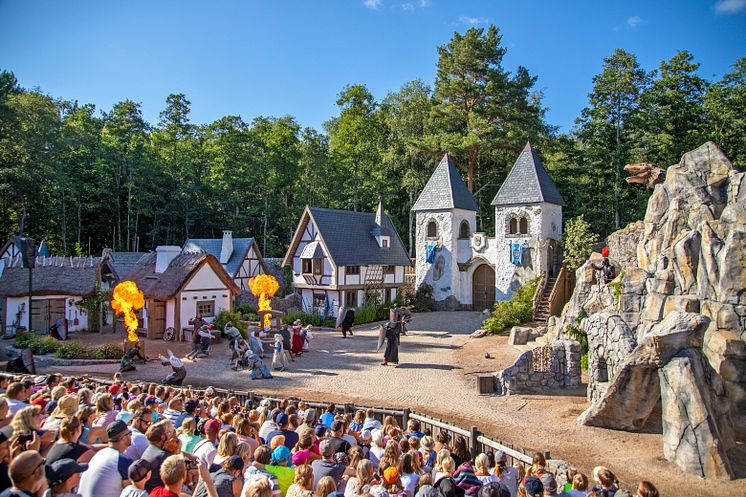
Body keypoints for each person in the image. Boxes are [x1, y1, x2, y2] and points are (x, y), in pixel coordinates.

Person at [78, 421, 133, 497]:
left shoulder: (100, 454)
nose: (131, 436)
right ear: (124, 438)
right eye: (129, 433)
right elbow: (132, 491)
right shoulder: (123, 460)